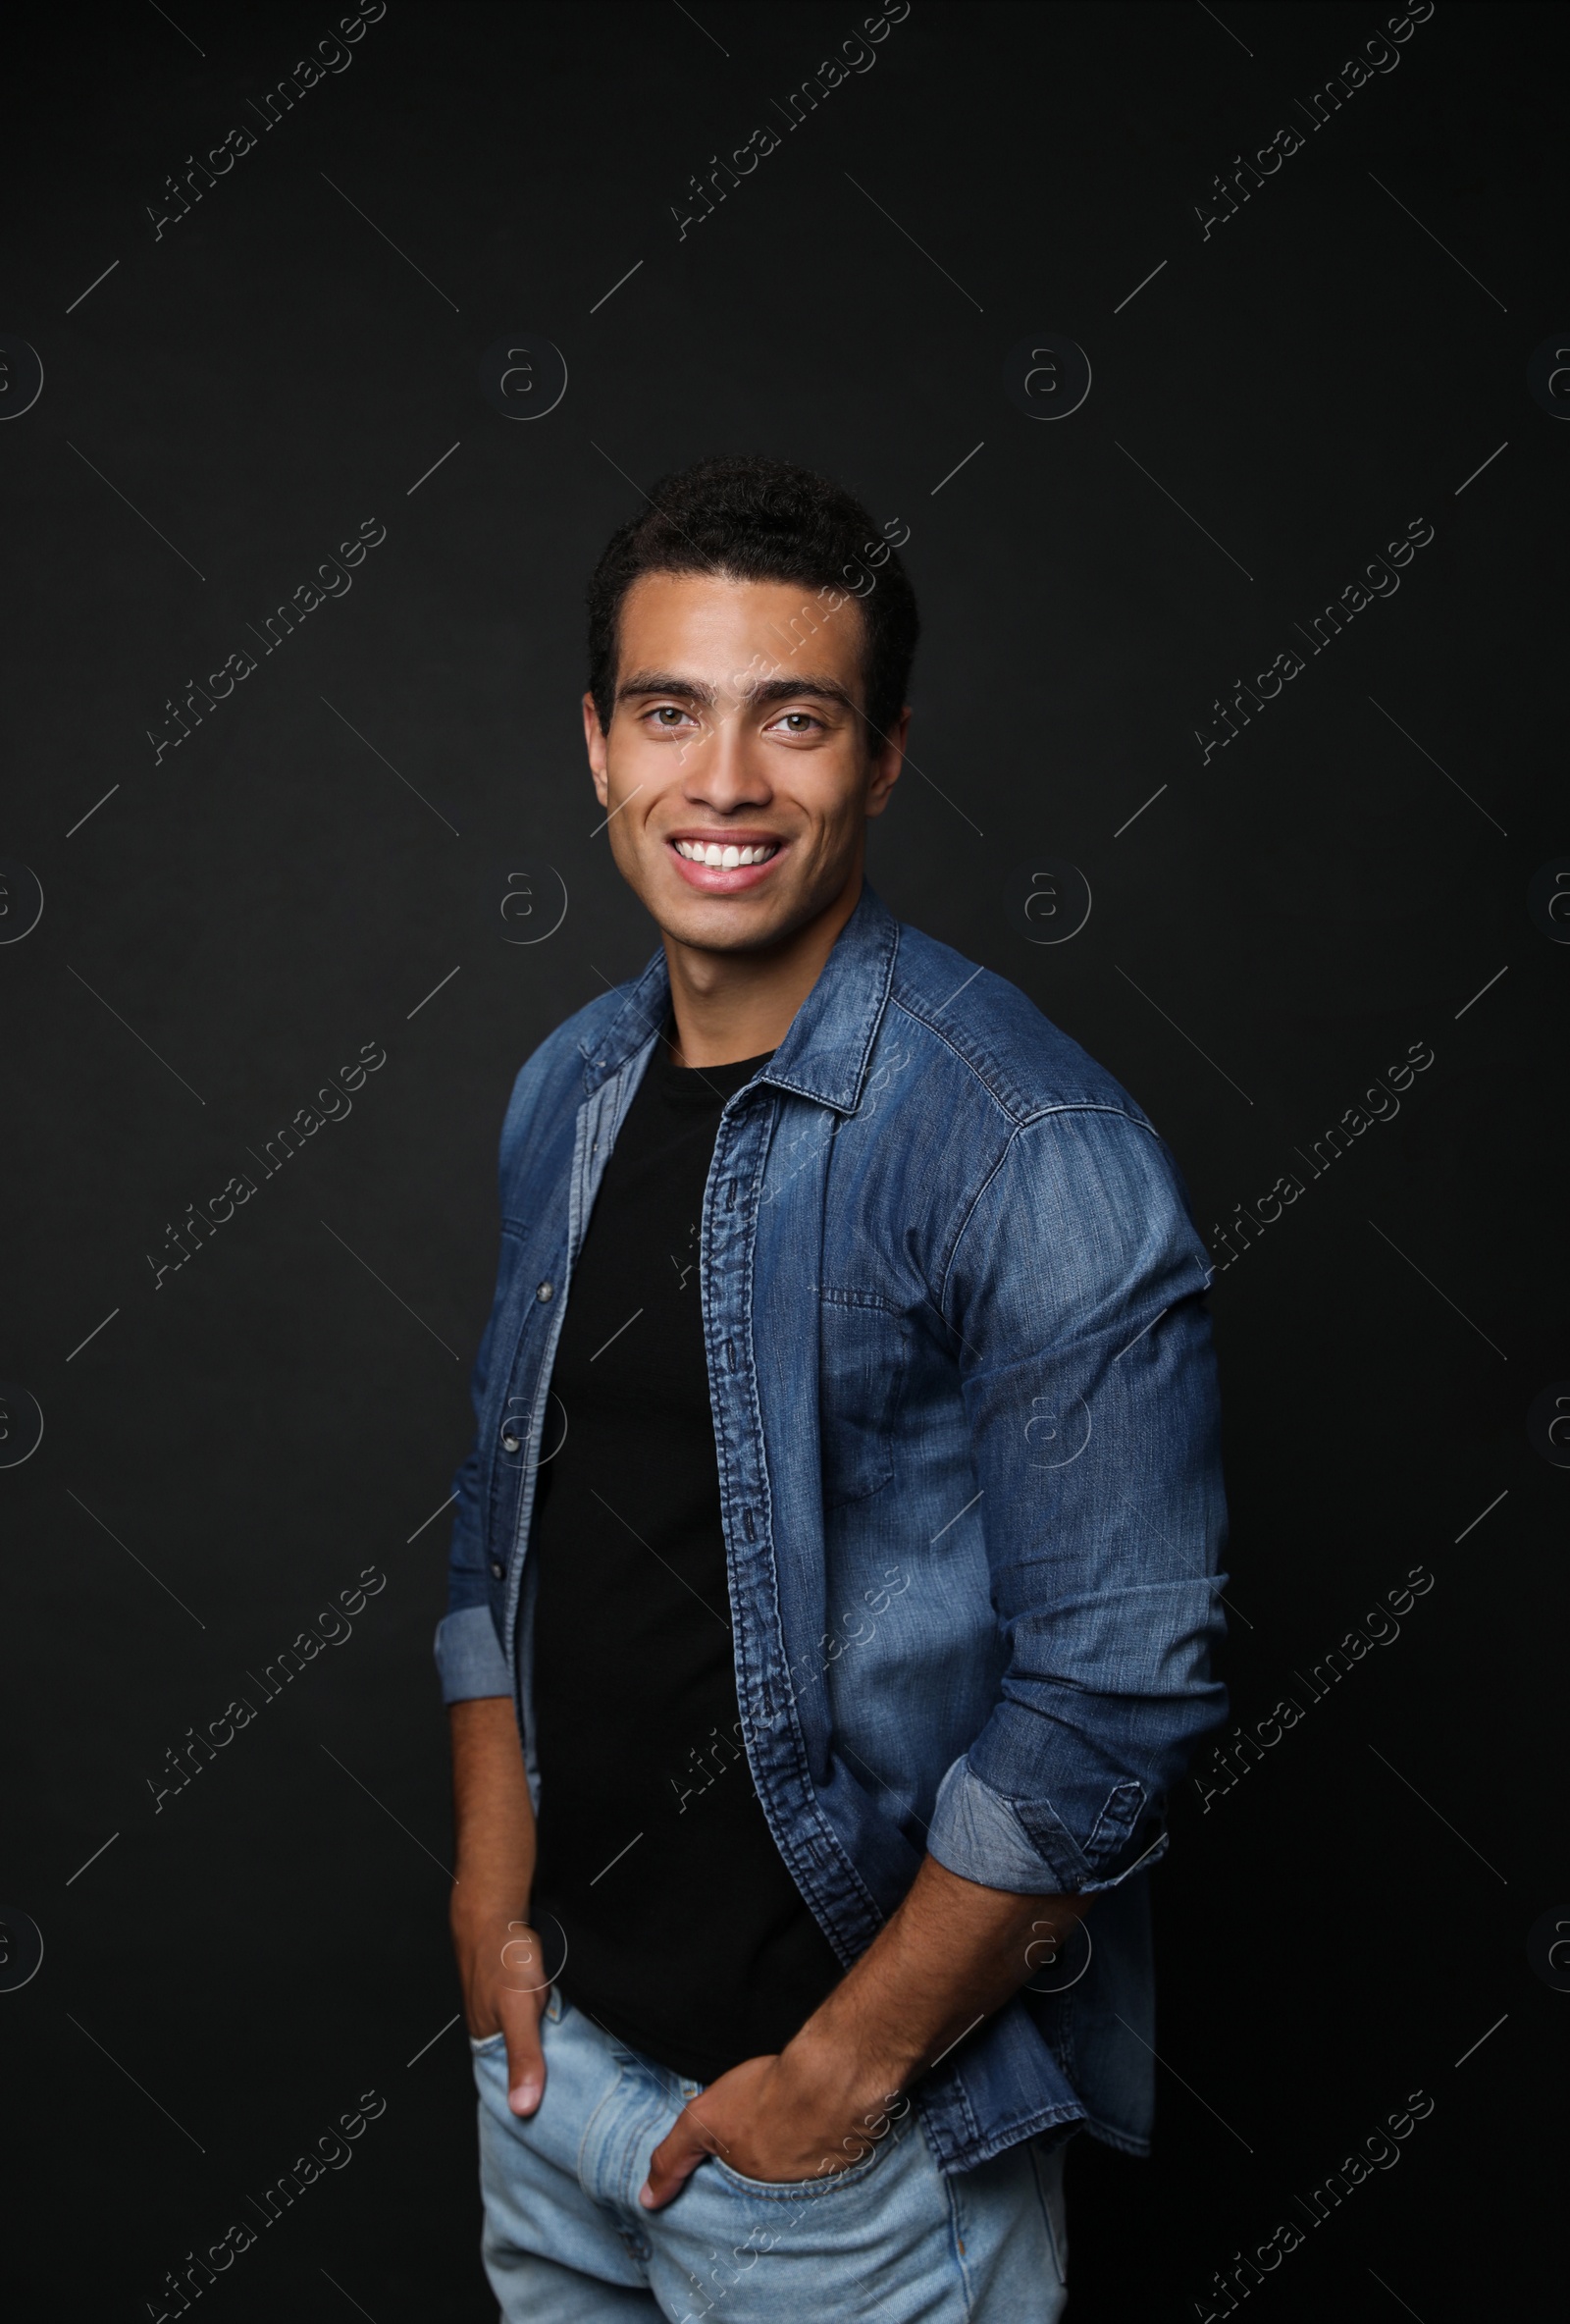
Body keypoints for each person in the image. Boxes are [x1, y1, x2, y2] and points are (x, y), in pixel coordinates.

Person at [437, 454, 1229, 2321]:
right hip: (558, 2087)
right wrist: (490, 1909)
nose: (723, 782)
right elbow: (499, 1520)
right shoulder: (570, 1085)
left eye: (794, 718)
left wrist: (844, 2077)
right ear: (597, 744)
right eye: (670, 713)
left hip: (841, 2171)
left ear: (877, 757)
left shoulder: (1028, 1145)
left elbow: (1119, 1693)